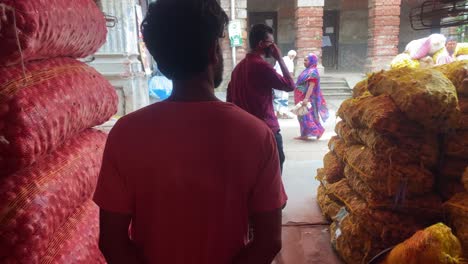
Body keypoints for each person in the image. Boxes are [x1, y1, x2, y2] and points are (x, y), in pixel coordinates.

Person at [94, 1, 287, 264]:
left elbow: (112, 242)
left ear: (161, 60)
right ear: (213, 52)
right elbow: (268, 241)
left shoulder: (126, 133)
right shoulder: (256, 135)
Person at [227, 24, 295, 173]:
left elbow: (229, 101)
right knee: (273, 176)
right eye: (271, 43)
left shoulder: (238, 69)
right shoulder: (261, 66)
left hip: (244, 134)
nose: (274, 47)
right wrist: (279, 59)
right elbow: (290, 85)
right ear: (261, 44)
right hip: (266, 132)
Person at [294, 53, 329, 141]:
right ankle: (304, 134)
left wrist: (306, 99)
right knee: (301, 115)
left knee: (306, 115)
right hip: (300, 96)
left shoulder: (312, 72)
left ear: (312, 61)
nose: (304, 62)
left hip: (306, 98)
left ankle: (317, 131)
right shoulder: (307, 70)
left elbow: (311, 86)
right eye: (304, 60)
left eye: (306, 60)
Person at [273, 50, 297, 119]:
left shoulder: (280, 60)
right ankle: (283, 113)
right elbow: (290, 74)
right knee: (284, 97)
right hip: (284, 82)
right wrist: (291, 83)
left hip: (276, 81)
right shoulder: (290, 62)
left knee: (277, 97)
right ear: (293, 56)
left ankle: (277, 113)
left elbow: (274, 70)